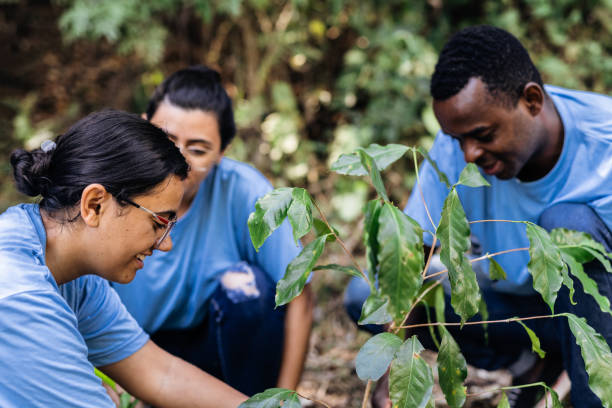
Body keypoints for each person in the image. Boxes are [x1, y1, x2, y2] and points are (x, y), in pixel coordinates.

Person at [344, 25, 612, 407]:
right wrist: (395, 372)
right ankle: (534, 360)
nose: (469, 154)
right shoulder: (458, 147)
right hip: (526, 309)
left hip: (602, 313)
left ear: (531, 101)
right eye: (458, 140)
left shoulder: (605, 143)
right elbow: (412, 257)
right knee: (367, 293)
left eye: (483, 134)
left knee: (569, 225)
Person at [0, 110, 248, 407]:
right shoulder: (19, 294)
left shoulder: (75, 278)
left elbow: (160, 374)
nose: (166, 244)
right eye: (159, 223)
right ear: (94, 205)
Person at [112, 65, 314, 396]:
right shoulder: (106, 195)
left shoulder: (245, 192)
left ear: (222, 152)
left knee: (250, 290)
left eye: (198, 149)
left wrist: (284, 398)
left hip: (213, 350)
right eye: (166, 139)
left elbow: (299, 295)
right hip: (127, 354)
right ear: (143, 126)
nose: (177, 159)